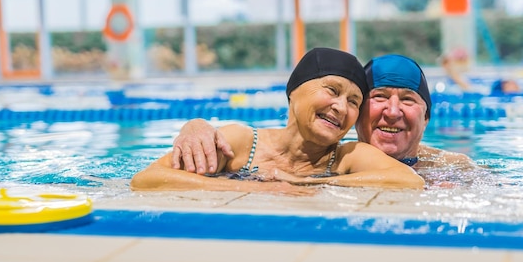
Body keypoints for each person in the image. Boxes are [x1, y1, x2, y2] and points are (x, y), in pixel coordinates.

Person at [131, 47, 425, 193]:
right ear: (293, 93)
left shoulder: (347, 156)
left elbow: (407, 180)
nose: (340, 107)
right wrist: (249, 188)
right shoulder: (242, 142)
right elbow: (146, 179)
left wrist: (304, 183)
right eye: (332, 91)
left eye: (353, 102)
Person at [171, 53, 478, 182]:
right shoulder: (334, 160)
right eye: (379, 98)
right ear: (358, 119)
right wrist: (194, 125)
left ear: (427, 119)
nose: (393, 111)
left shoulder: (453, 168)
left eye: (409, 101)